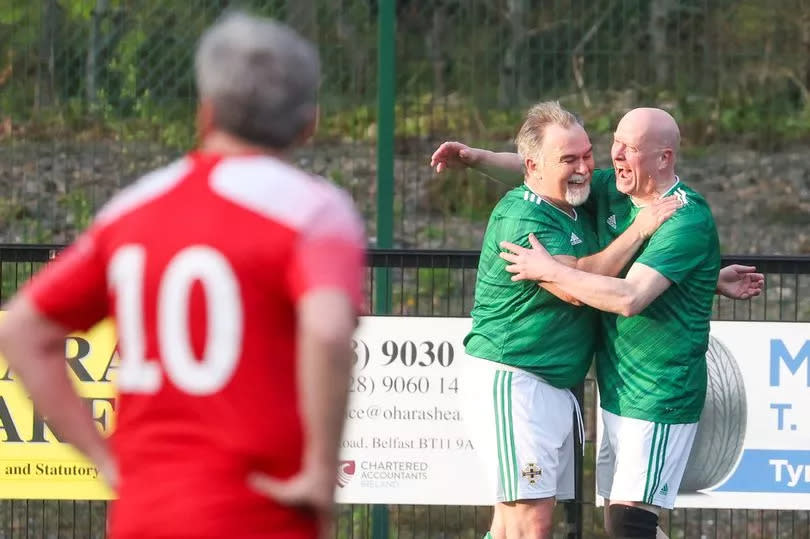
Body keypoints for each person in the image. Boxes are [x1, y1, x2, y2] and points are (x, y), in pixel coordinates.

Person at [0, 12, 365, 539]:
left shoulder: (130, 211)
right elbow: (329, 329)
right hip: (259, 514)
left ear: (205, 112)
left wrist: (104, 460)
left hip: (146, 514)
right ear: (308, 123)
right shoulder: (315, 212)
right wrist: (320, 474)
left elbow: (21, 330)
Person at [433, 108, 764, 539]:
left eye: (628, 149)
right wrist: (478, 160)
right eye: (615, 145)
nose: (609, 160)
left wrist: (549, 269)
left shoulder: (680, 215)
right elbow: (543, 166)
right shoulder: (600, 193)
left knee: (619, 523)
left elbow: (628, 297)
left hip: (657, 390)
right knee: (548, 522)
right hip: (548, 381)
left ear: (664, 158)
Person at [462, 102, 681, 539]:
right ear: (534, 166)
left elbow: (530, 165)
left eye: (586, 154)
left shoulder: (575, 198)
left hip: (554, 385)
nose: (584, 168)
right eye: (569, 160)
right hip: (516, 380)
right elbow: (575, 287)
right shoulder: (524, 216)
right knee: (530, 523)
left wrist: (479, 159)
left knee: (514, 525)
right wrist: (639, 230)